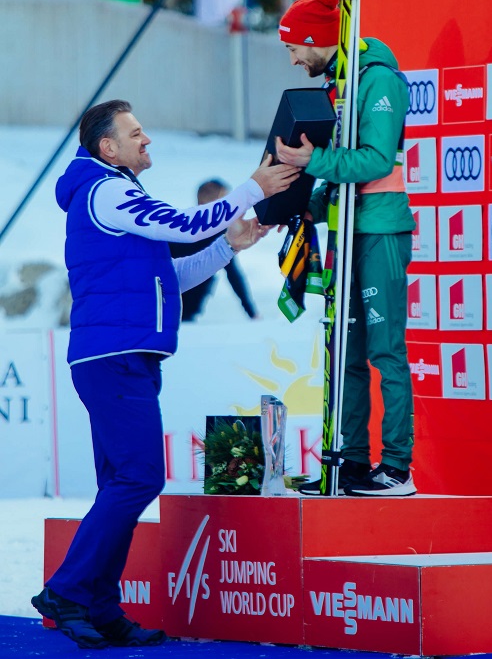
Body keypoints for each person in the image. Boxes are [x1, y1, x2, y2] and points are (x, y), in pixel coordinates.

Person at [31, 99, 298, 649]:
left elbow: (169, 279)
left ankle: (100, 607)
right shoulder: (108, 190)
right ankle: (68, 590)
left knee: (122, 482)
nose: (147, 140)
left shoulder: (112, 194)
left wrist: (228, 246)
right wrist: (252, 187)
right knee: (139, 478)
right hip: (115, 357)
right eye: (136, 133)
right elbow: (186, 222)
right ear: (109, 148)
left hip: (116, 356)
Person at [276, 0, 416, 497]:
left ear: (316, 39)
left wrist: (310, 163)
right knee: (346, 352)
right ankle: (352, 463)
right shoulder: (340, 82)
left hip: (380, 229)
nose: (293, 59)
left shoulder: (377, 79)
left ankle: (397, 467)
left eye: (294, 48)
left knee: (384, 350)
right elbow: (339, 172)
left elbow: (377, 160)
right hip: (347, 229)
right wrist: (297, 209)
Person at [170, 179, 259, 321]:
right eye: (225, 200)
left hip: (166, 305)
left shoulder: (178, 226)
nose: (229, 207)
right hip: (180, 307)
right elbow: (233, 275)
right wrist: (252, 313)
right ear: (208, 201)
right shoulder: (215, 232)